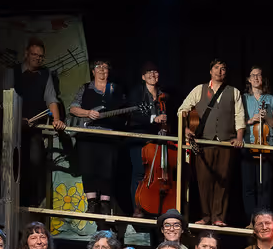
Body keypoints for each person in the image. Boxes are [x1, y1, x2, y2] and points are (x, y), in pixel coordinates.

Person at [178, 57, 247, 226]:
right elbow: (182, 110)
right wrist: (185, 129)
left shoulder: (234, 92)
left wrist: (239, 138)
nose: (219, 71)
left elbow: (240, 117)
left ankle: (218, 217)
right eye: (216, 68)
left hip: (225, 142)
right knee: (204, 180)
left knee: (223, 180)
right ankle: (205, 215)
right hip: (204, 142)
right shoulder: (199, 90)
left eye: (223, 68)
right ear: (210, 71)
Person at [67, 58, 124, 212]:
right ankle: (92, 202)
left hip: (108, 135)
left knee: (108, 169)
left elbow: (123, 111)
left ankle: (105, 202)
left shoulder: (115, 89)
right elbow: (73, 108)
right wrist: (88, 113)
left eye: (105, 67)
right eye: (98, 67)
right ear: (93, 71)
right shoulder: (85, 88)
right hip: (88, 134)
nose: (101, 69)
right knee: (88, 168)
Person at [15, 36, 65, 208]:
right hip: (13, 128)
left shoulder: (45, 74)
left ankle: (31, 203)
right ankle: (14, 200)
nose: (37, 58)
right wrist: (16, 118)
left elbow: (51, 98)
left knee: (35, 163)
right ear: (26, 54)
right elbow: (4, 100)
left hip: (35, 128)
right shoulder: (13, 72)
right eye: (34, 54)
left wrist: (57, 119)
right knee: (14, 165)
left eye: (40, 56)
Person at [125, 61, 170, 217]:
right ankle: (138, 207)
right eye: (149, 72)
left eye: (155, 71)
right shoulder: (136, 93)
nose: (152, 74)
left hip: (158, 141)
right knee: (139, 173)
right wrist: (153, 119)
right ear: (143, 77)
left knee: (158, 174)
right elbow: (133, 114)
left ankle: (155, 206)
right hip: (139, 138)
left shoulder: (164, 94)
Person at [241, 65, 273, 217]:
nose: (256, 78)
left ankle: (264, 219)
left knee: (265, 185)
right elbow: (236, 121)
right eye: (253, 75)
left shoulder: (271, 99)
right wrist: (251, 120)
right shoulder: (243, 98)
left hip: (266, 145)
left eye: (259, 75)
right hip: (248, 145)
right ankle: (251, 220)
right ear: (249, 80)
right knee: (248, 185)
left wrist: (267, 118)